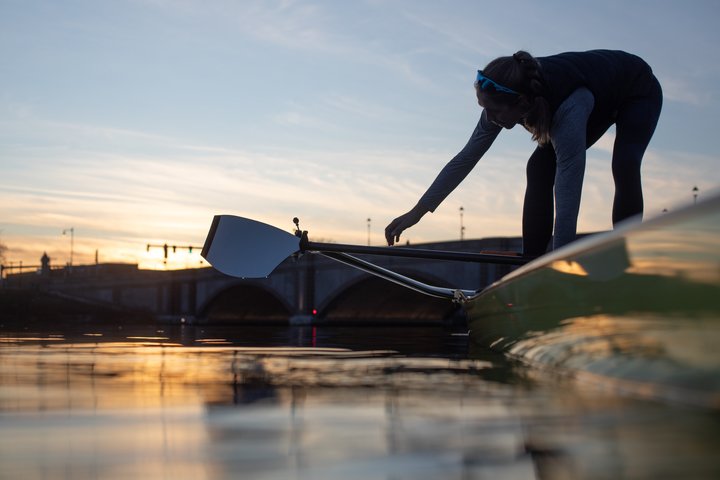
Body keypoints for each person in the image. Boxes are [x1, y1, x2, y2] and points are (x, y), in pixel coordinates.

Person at [384, 49, 663, 256]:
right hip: (597, 93)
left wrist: (561, 260)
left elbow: (568, 190)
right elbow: (465, 159)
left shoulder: (569, 109)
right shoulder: (502, 99)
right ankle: (531, 259)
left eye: (493, 111)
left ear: (521, 104)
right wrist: (416, 213)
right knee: (538, 169)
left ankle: (628, 252)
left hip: (636, 90)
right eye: (483, 108)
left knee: (624, 164)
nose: (488, 118)